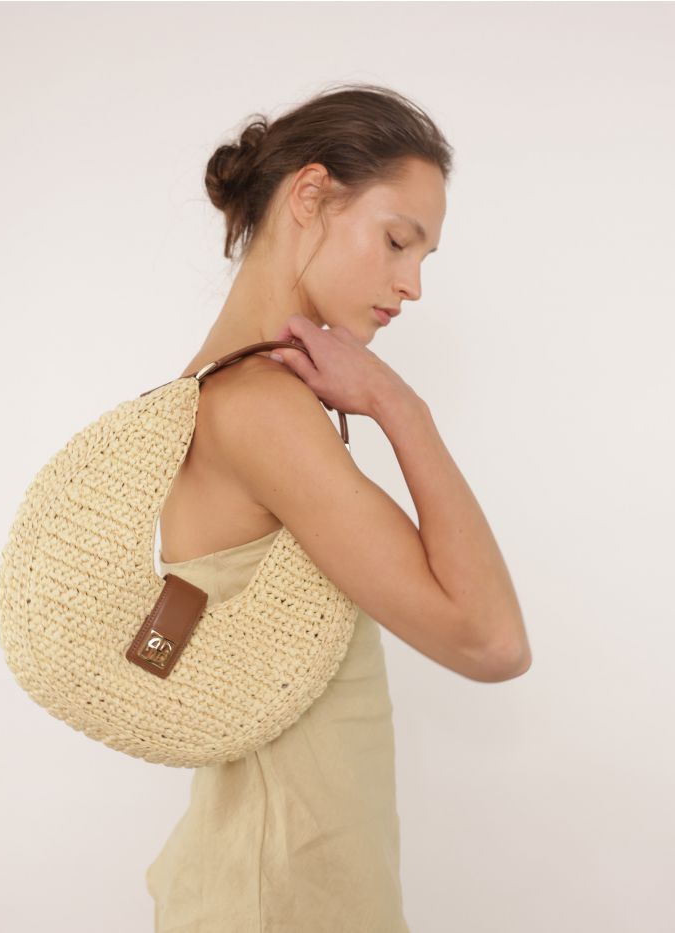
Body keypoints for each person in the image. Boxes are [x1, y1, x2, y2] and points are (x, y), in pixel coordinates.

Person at [146, 82, 532, 932]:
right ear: (311, 195)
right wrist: (400, 406)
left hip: (271, 883)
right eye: (398, 241)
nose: (412, 284)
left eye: (424, 257)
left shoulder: (218, 392)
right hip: (280, 897)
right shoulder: (261, 409)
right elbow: (492, 640)